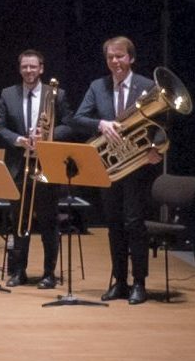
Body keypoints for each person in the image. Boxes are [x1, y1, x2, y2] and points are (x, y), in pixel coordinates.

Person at [67, 35, 163, 303]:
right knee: (114, 225)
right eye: (110, 57)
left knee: (134, 224)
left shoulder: (147, 86)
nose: (115, 62)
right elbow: (77, 118)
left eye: (120, 56)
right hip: (109, 169)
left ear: (130, 58)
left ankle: (139, 283)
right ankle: (120, 282)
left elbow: (163, 122)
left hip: (138, 166)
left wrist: (156, 148)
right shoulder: (98, 86)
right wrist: (101, 125)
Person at [0, 49, 66, 288]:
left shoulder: (55, 94)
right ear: (20, 68)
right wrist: (18, 140)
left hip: (46, 165)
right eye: (24, 67)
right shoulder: (8, 94)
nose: (28, 71)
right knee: (20, 221)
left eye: (33, 67)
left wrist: (49, 136)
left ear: (41, 68)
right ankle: (19, 271)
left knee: (48, 222)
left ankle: (49, 273)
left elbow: (70, 123)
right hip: (19, 165)